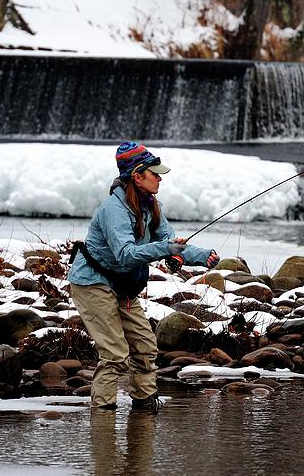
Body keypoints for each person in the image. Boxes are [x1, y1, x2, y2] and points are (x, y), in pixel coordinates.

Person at [67, 141, 220, 412]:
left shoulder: (152, 206)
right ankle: (103, 420)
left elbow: (169, 242)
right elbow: (126, 254)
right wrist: (165, 249)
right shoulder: (114, 211)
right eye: (154, 173)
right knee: (115, 355)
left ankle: (144, 410)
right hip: (92, 283)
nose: (160, 178)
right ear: (137, 176)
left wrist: (201, 255)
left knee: (146, 348)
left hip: (123, 285)